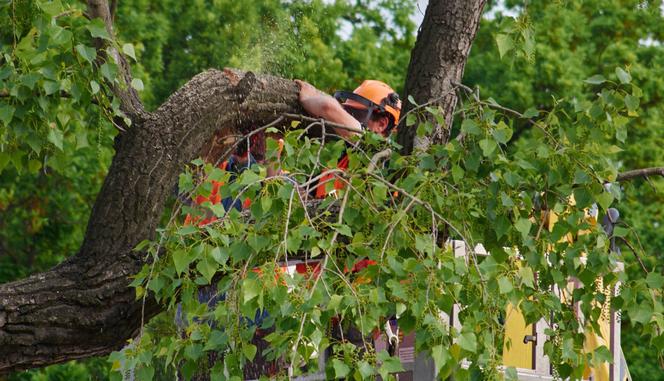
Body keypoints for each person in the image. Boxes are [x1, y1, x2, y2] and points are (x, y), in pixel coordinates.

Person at [295, 79, 401, 199]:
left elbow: (328, 107)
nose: (350, 118)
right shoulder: (344, 160)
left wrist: (308, 98)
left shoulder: (381, 156)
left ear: (382, 124)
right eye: (348, 112)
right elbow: (305, 200)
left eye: (356, 114)